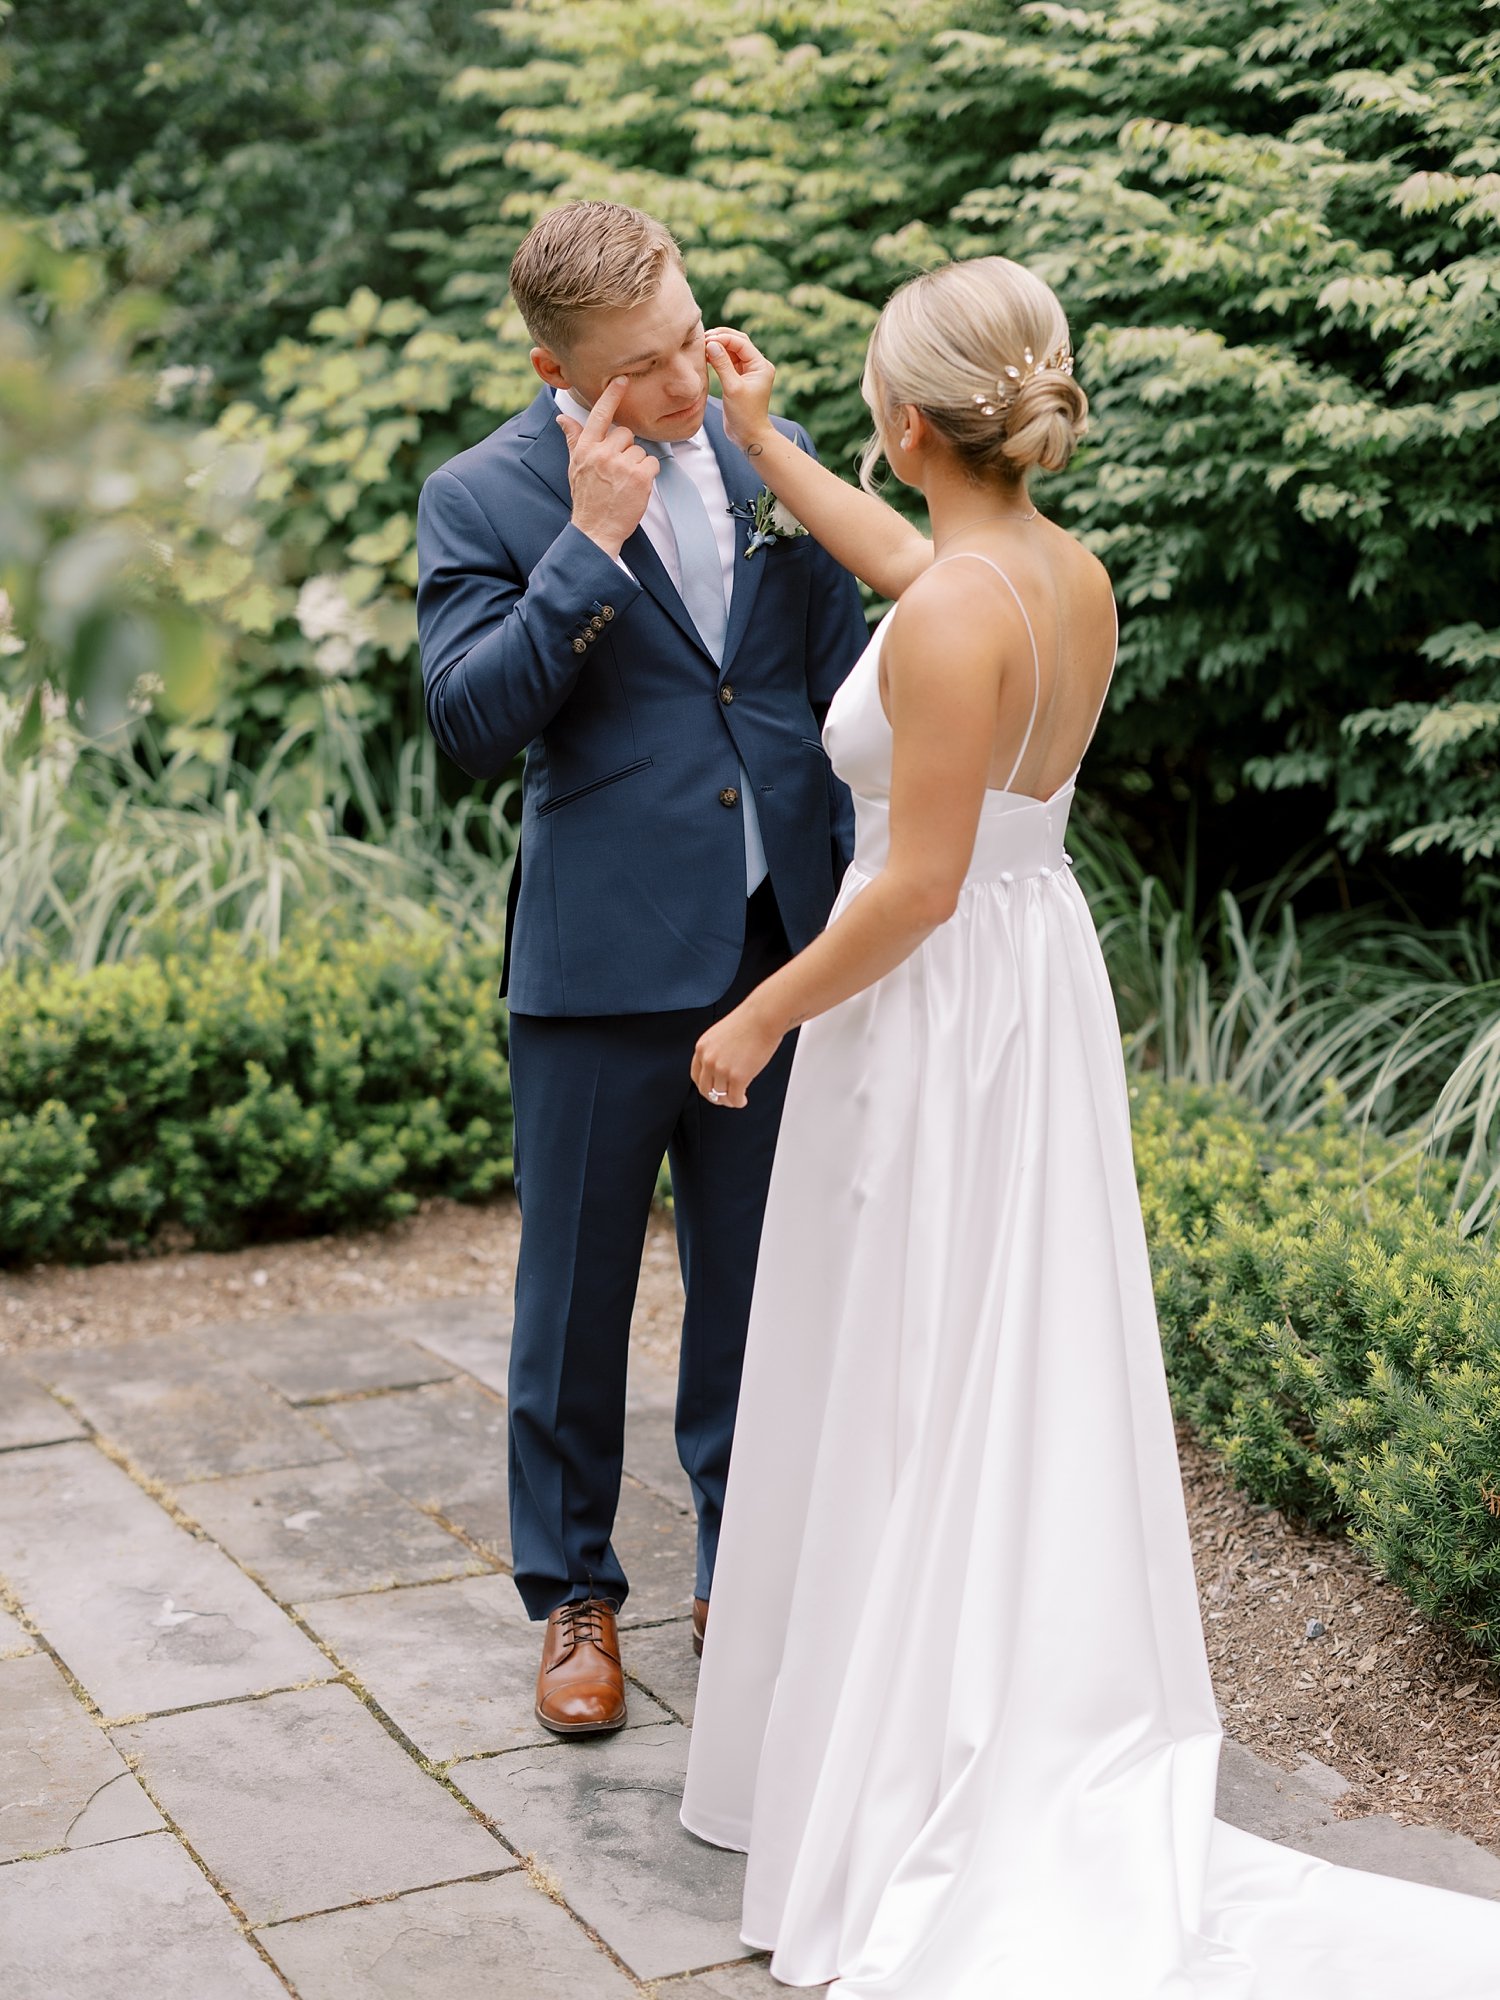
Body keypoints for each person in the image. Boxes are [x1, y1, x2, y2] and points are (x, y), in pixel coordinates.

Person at [679, 256, 1500, 1996]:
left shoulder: (964, 610)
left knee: (916, 1352)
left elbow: (903, 890)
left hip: (931, 1002)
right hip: (1027, 986)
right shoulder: (1053, 574)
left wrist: (754, 1015)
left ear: (911, 421)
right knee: (997, 1344)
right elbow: (916, 577)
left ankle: (914, 1737)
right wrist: (764, 446)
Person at [415, 202, 866, 1738]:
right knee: (574, 1305)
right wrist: (588, 545)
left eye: (689, 333)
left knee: (758, 1293)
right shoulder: (483, 496)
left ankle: (741, 1581)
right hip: (600, 968)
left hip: (771, 947)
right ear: (560, 371)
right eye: (646, 369)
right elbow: (472, 727)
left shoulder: (764, 448)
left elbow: (818, 689)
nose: (687, 381)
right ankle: (574, 1600)